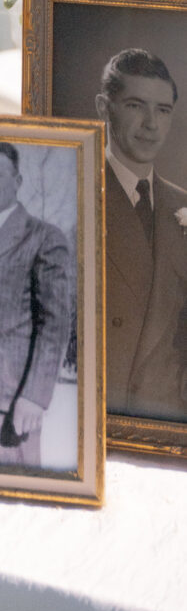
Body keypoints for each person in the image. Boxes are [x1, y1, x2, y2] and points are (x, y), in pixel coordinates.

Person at [0, 141, 74, 467]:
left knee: (14, 493)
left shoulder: (44, 237)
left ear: (17, 181)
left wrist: (34, 396)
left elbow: (56, 324)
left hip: (10, 396)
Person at [98, 47, 187, 420]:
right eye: (136, 106)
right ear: (105, 108)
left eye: (163, 111)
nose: (152, 124)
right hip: (99, 414)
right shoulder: (75, 188)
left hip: (166, 419)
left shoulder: (181, 204)